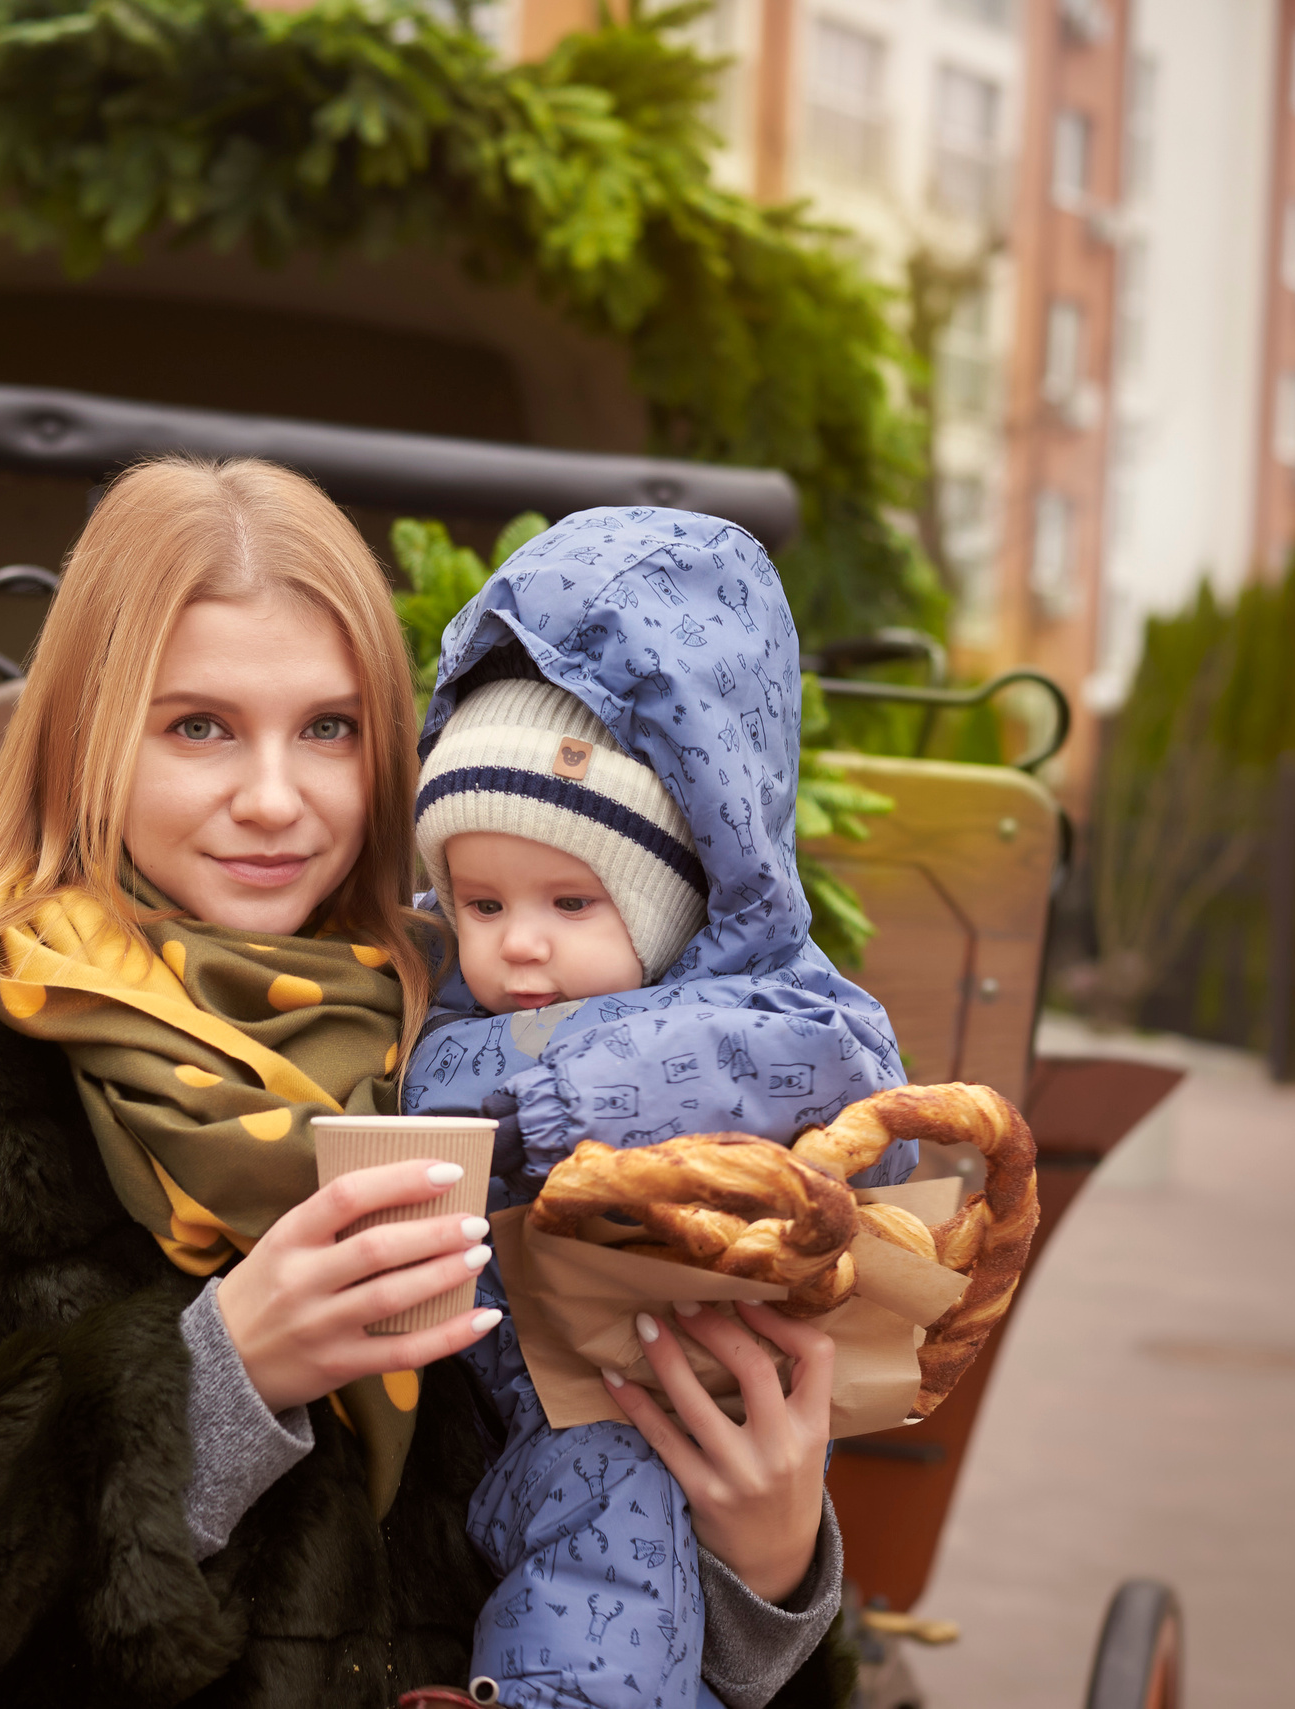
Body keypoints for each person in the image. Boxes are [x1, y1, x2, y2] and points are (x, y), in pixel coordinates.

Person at [0, 461, 850, 1709]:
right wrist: (214, 1378)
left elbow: (614, 1560)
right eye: (197, 725)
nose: (273, 799)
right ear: (87, 739)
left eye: (328, 728)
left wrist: (764, 1569)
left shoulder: (516, 1046)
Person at [401, 510, 918, 1709]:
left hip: (674, 1380)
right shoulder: (439, 1015)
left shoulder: (787, 1006)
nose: (517, 945)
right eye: (478, 902)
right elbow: (429, 1081)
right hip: (515, 1394)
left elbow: (850, 1077)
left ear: (680, 898)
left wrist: (557, 1089)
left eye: (571, 903)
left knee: (614, 1507)